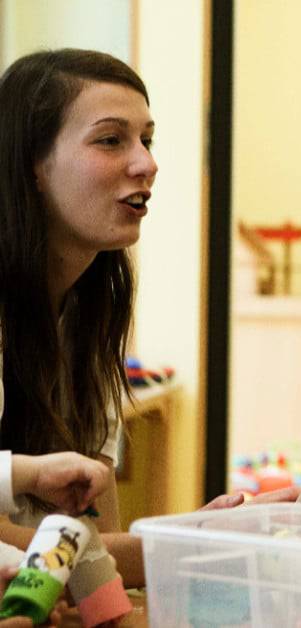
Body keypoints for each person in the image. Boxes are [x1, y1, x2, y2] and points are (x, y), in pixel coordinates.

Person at [0, 49, 157, 588]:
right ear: (33, 166)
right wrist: (183, 545)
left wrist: (191, 541)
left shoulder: (90, 315)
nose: (146, 164)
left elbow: (93, 537)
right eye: (111, 140)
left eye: (147, 140)